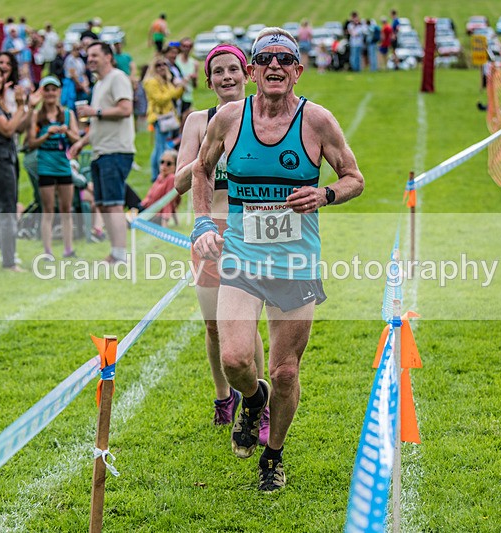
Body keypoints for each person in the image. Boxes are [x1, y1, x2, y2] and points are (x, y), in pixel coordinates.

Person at [191, 28, 364, 492]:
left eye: (284, 59)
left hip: (295, 263)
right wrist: (203, 223)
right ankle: (253, 399)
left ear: (297, 70)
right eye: (265, 58)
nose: (274, 65)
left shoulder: (317, 121)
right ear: (252, 70)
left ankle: (273, 455)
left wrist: (325, 194)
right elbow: (201, 169)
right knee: (234, 359)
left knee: (285, 371)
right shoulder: (229, 119)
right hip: (242, 258)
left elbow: (354, 178)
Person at [174, 43, 268, 435]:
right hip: (209, 234)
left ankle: (258, 404)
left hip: (251, 233)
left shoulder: (263, 118)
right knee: (214, 326)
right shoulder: (199, 121)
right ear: (209, 80)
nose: (226, 77)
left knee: (245, 324)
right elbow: (180, 183)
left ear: (247, 74)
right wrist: (209, 153)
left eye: (233, 69)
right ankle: (223, 395)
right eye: (218, 71)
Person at [70, 41, 136, 265]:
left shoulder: (117, 78)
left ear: (108, 57)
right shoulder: (99, 84)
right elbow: (99, 121)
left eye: (95, 55)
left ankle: (121, 254)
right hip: (100, 151)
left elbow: (125, 109)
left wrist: (95, 111)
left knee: (114, 203)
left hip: (116, 150)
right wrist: (81, 142)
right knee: (103, 203)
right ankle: (114, 251)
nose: (89, 59)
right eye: (88, 56)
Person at [0, 61, 39, 271]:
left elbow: (18, 127)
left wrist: (29, 107)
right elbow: (7, 130)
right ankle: (9, 262)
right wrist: (20, 106)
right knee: (7, 211)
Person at [27, 76, 80, 259]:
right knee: (48, 208)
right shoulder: (37, 116)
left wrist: (67, 131)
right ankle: (48, 251)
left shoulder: (68, 114)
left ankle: (68, 248)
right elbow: (31, 143)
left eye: (53, 89)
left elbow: (77, 139)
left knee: (66, 208)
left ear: (58, 92)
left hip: (63, 165)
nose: (50, 93)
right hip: (45, 165)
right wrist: (46, 135)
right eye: (47, 90)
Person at [143, 55, 184, 181]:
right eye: (158, 65)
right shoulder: (151, 82)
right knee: (161, 147)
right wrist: (174, 90)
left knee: (161, 146)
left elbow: (175, 95)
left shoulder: (165, 80)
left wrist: (181, 86)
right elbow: (160, 99)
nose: (161, 67)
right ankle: (160, 174)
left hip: (168, 117)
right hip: (159, 117)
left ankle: (158, 175)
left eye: (164, 64)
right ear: (153, 67)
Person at [141, 149, 180, 226]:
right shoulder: (160, 176)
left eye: (168, 164)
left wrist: (164, 222)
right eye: (162, 162)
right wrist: (177, 222)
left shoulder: (171, 178)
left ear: (175, 166)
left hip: (153, 215)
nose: (164, 166)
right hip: (145, 208)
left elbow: (168, 200)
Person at [175, 38, 198, 121]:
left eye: (189, 46)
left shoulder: (194, 63)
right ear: (180, 47)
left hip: (188, 96)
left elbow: (195, 85)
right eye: (184, 46)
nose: (187, 48)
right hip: (176, 95)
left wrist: (194, 78)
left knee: (185, 120)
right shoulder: (176, 60)